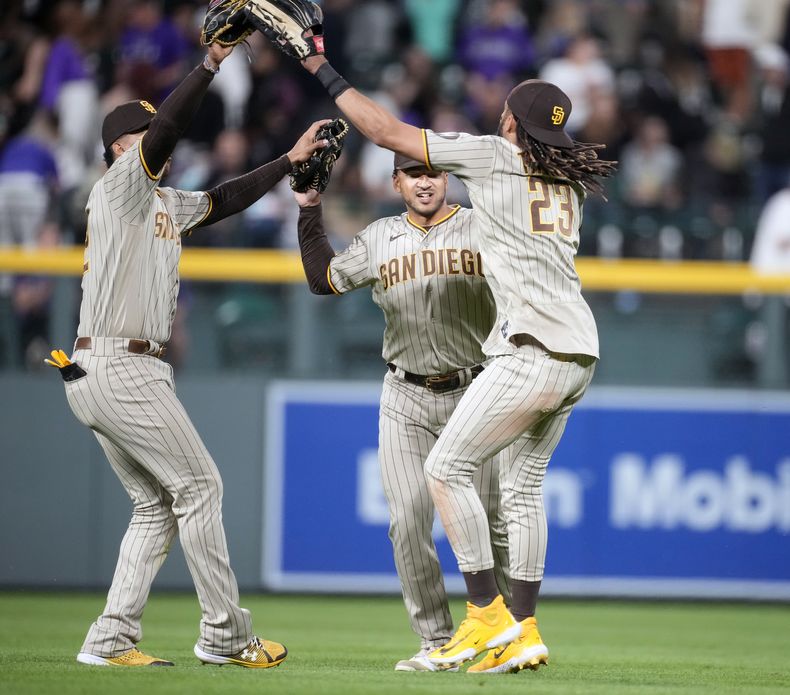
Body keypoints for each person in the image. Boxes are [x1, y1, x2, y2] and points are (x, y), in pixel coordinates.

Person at [299, 48, 615, 673]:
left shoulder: (498, 158)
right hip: (580, 349)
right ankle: (522, 630)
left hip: (530, 348)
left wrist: (319, 70)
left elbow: (386, 130)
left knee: (445, 469)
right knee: (522, 490)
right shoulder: (567, 180)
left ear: (510, 127)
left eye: (504, 116)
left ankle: (483, 618)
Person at [62, 41, 328, 668]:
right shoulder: (121, 188)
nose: (161, 139)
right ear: (119, 150)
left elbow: (223, 201)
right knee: (202, 486)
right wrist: (211, 62)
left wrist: (288, 161)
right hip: (120, 365)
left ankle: (109, 640)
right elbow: (168, 131)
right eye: (145, 134)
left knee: (157, 507)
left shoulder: (159, 203)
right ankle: (226, 634)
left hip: (105, 368)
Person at [293, 151, 510, 672]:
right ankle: (436, 639)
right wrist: (308, 207)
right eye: (414, 173)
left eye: (433, 172)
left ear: (447, 177)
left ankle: (506, 630)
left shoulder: (482, 228)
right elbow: (323, 279)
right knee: (407, 519)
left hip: (473, 390)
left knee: (492, 521)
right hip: (405, 394)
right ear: (396, 182)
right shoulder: (378, 238)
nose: (425, 182)